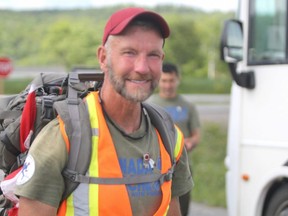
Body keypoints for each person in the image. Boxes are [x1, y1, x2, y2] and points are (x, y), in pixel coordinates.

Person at [14, 7, 193, 216]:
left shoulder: (170, 136)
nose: (143, 67)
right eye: (130, 53)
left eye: (153, 55)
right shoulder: (63, 137)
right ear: (103, 57)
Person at [148, 63, 201, 216]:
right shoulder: (149, 104)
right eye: (164, 81)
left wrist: (190, 142)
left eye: (171, 80)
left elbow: (196, 134)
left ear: (178, 80)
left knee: (181, 210)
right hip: (156, 170)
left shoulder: (188, 106)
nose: (168, 85)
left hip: (182, 168)